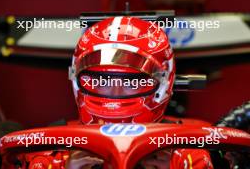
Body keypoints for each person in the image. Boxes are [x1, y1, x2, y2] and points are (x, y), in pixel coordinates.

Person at [67, 16, 213, 169]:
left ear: (164, 84)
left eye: (132, 83)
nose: (116, 92)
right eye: (102, 82)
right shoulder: (52, 149)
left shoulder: (191, 149)